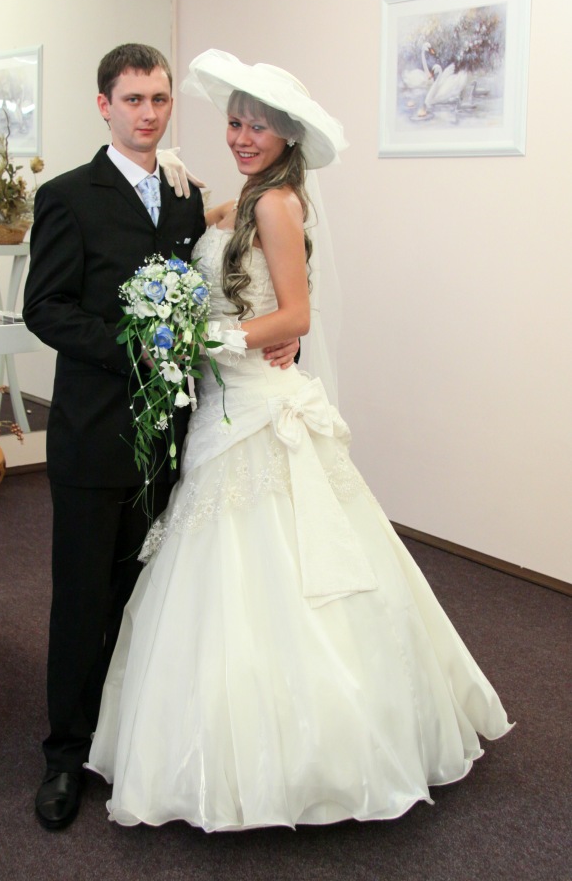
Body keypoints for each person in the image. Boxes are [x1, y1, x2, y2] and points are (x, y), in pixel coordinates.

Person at [86, 49, 512, 831]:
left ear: (287, 136)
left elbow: (295, 316)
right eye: (235, 123)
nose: (243, 137)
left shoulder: (278, 204)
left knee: (275, 567)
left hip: (255, 400)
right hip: (227, 403)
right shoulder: (248, 199)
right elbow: (203, 234)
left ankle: (314, 751)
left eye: (259, 127)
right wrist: (176, 179)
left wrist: (203, 338)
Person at [23, 42, 300, 831]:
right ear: (104, 106)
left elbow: (230, 284)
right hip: (93, 433)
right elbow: (45, 309)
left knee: (145, 596)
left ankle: (125, 738)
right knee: (82, 599)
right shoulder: (66, 196)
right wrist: (133, 349)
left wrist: (280, 334)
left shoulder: (186, 197)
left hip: (178, 438)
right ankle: (65, 754)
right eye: (133, 100)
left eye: (159, 99)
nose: (148, 114)